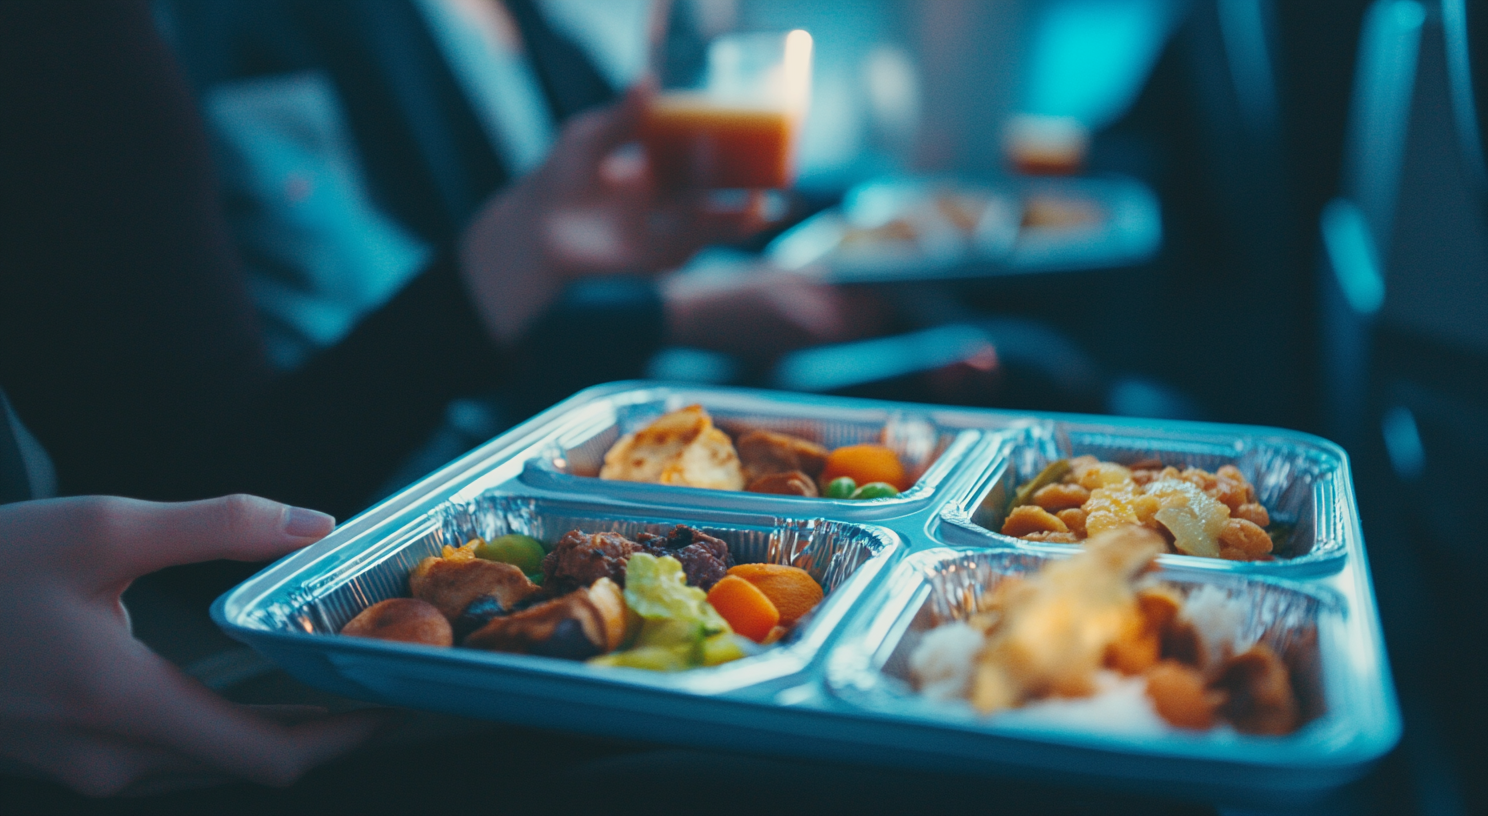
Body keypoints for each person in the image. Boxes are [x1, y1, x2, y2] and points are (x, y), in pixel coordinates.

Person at [0, 1, 852, 523]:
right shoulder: (212, 33)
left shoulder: (525, 20)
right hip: (409, 478)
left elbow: (659, 190)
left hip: (527, 424)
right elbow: (237, 456)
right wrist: (670, 309)